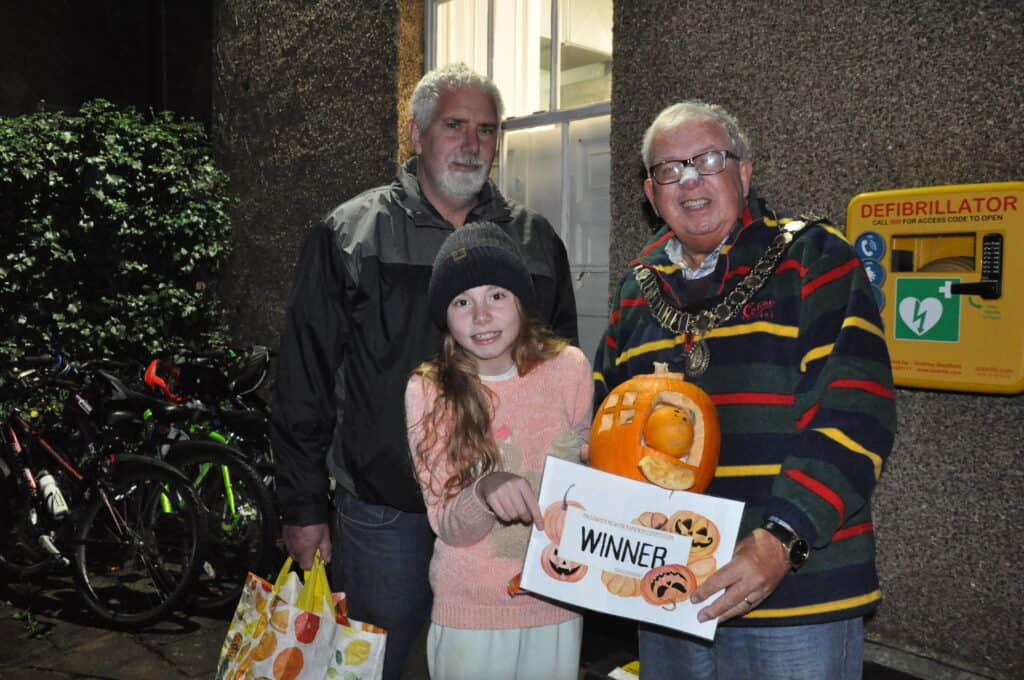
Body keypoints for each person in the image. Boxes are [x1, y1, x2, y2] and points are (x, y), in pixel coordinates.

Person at [271, 64, 578, 680]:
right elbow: (302, 375)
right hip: (387, 517)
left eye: (487, 131)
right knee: (372, 666)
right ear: (416, 132)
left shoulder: (534, 239)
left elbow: (559, 372)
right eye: (454, 126)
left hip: (506, 518)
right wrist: (303, 507)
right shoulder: (351, 233)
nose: (472, 144)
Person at [593, 100, 896, 679]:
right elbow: (605, 416)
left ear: (745, 172)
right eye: (668, 169)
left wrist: (783, 539)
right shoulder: (636, 287)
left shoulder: (815, 256)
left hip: (797, 594)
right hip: (667, 591)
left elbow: (856, 411)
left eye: (707, 159)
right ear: (651, 195)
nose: (689, 180)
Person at [405, 222, 592, 680]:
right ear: (445, 317)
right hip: (471, 611)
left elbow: (589, 483)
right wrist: (483, 489)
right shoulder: (429, 390)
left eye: (496, 296)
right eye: (462, 302)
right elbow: (448, 526)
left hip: (559, 599)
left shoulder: (569, 370)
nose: (481, 316)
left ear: (521, 301)